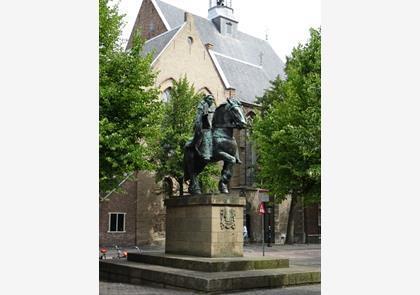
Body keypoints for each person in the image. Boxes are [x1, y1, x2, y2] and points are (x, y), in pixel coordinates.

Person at [190, 95, 216, 161]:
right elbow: (199, 117)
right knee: (207, 133)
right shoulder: (202, 105)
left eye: (213, 99)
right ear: (206, 99)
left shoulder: (213, 107)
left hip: (211, 126)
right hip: (202, 126)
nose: (212, 101)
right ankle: (206, 153)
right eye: (210, 99)